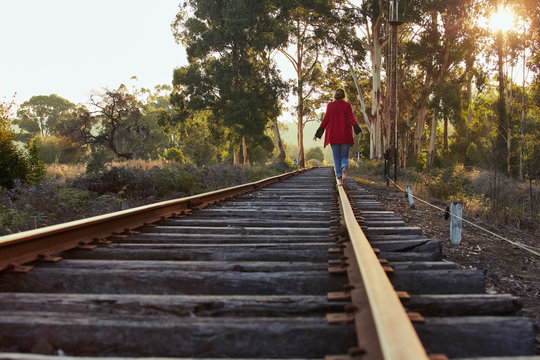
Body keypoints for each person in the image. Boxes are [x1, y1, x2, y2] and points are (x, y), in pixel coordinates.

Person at [313, 88, 362, 186]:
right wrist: (359, 131)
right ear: (344, 96)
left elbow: (325, 120)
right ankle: (344, 167)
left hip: (333, 136)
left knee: (336, 158)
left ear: (335, 96)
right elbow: (352, 119)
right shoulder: (347, 105)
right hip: (345, 136)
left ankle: (339, 178)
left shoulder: (330, 106)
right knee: (344, 156)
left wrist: (317, 134)